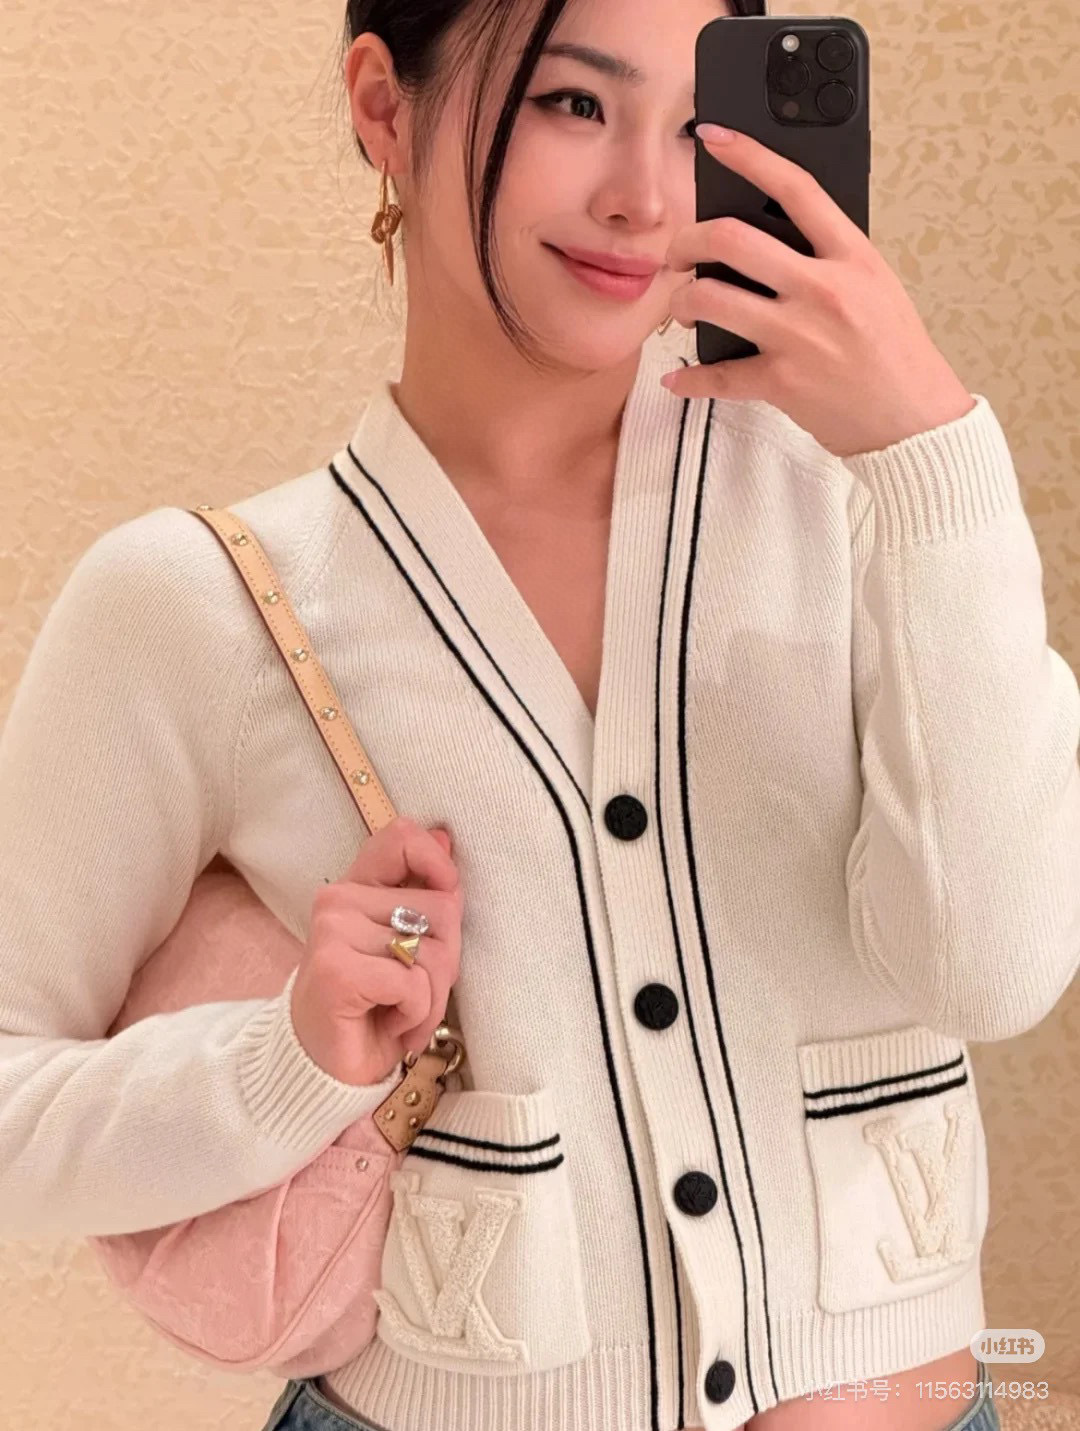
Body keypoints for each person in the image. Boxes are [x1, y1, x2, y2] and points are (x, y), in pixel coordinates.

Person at [2, 0, 1078, 1427]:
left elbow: (996, 971)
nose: (646, 195)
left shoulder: (865, 501)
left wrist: (935, 450)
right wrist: (287, 1060)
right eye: (576, 104)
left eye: (695, 127)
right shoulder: (202, 603)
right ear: (383, 105)